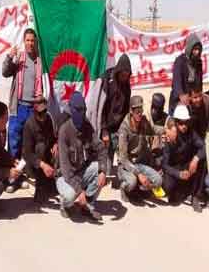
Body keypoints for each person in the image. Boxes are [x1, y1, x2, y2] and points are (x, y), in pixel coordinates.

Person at [57, 92, 108, 221]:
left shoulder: (87, 126)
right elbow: (66, 170)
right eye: (78, 110)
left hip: (81, 172)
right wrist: (79, 191)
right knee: (69, 196)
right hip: (65, 177)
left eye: (84, 109)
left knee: (99, 168)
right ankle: (64, 205)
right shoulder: (64, 131)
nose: (82, 113)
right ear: (71, 110)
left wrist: (102, 171)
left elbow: (101, 148)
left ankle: (87, 205)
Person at [2, 28, 43, 165]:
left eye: (32, 40)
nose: (30, 43)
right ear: (24, 42)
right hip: (18, 107)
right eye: (27, 40)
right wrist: (9, 57)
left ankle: (25, 170)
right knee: (14, 140)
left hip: (33, 108)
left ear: (35, 42)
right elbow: (5, 72)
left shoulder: (39, 62)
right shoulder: (19, 58)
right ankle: (12, 175)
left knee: (29, 142)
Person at [116, 95, 164, 202]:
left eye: (141, 110)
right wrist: (139, 174)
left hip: (140, 162)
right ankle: (124, 188)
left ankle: (141, 190)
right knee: (131, 182)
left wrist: (166, 130)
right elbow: (123, 159)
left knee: (158, 181)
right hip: (126, 166)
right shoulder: (124, 129)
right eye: (137, 111)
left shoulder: (143, 121)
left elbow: (153, 130)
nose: (139, 114)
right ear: (131, 111)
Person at [160, 106, 206, 212]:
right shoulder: (170, 136)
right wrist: (178, 174)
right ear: (176, 122)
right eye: (181, 123)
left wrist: (196, 159)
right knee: (168, 187)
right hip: (174, 168)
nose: (184, 126)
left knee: (203, 161)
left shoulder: (191, 132)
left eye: (186, 122)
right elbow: (165, 164)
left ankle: (195, 196)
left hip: (187, 166)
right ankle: (182, 190)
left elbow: (203, 146)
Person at [99, 54, 132, 175]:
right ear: (118, 72)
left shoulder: (127, 84)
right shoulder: (108, 81)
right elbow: (102, 107)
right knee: (106, 169)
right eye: (123, 75)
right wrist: (104, 130)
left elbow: (127, 107)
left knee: (122, 158)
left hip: (119, 126)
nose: (125, 78)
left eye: (127, 75)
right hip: (106, 126)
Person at [22, 96, 58, 204]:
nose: (43, 115)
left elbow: (52, 139)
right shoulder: (29, 125)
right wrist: (42, 164)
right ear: (35, 112)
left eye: (44, 112)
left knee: (58, 150)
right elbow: (27, 154)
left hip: (46, 159)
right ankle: (40, 186)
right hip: (33, 164)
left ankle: (51, 181)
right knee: (40, 147)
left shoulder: (48, 120)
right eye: (40, 113)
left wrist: (55, 144)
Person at [170, 33, 203, 115]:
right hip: (179, 98)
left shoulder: (199, 63)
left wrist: (198, 96)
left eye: (199, 50)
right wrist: (182, 95)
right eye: (195, 49)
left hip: (193, 98)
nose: (197, 52)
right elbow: (176, 82)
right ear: (189, 48)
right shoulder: (180, 61)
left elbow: (199, 83)